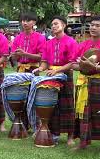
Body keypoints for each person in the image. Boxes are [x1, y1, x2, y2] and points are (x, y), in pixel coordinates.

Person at [33, 16, 78, 146]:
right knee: (53, 106)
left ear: (63, 25)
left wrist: (57, 71)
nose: (53, 26)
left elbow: (71, 63)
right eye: (52, 24)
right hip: (51, 76)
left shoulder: (71, 42)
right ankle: (53, 133)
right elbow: (45, 63)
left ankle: (70, 137)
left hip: (65, 76)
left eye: (56, 24)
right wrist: (39, 69)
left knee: (67, 106)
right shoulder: (49, 43)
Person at [72, 15, 100, 149]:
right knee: (84, 113)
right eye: (92, 25)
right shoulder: (83, 44)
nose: (93, 28)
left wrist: (94, 66)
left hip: (98, 82)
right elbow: (73, 64)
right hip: (84, 82)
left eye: (97, 26)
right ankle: (83, 143)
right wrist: (82, 66)